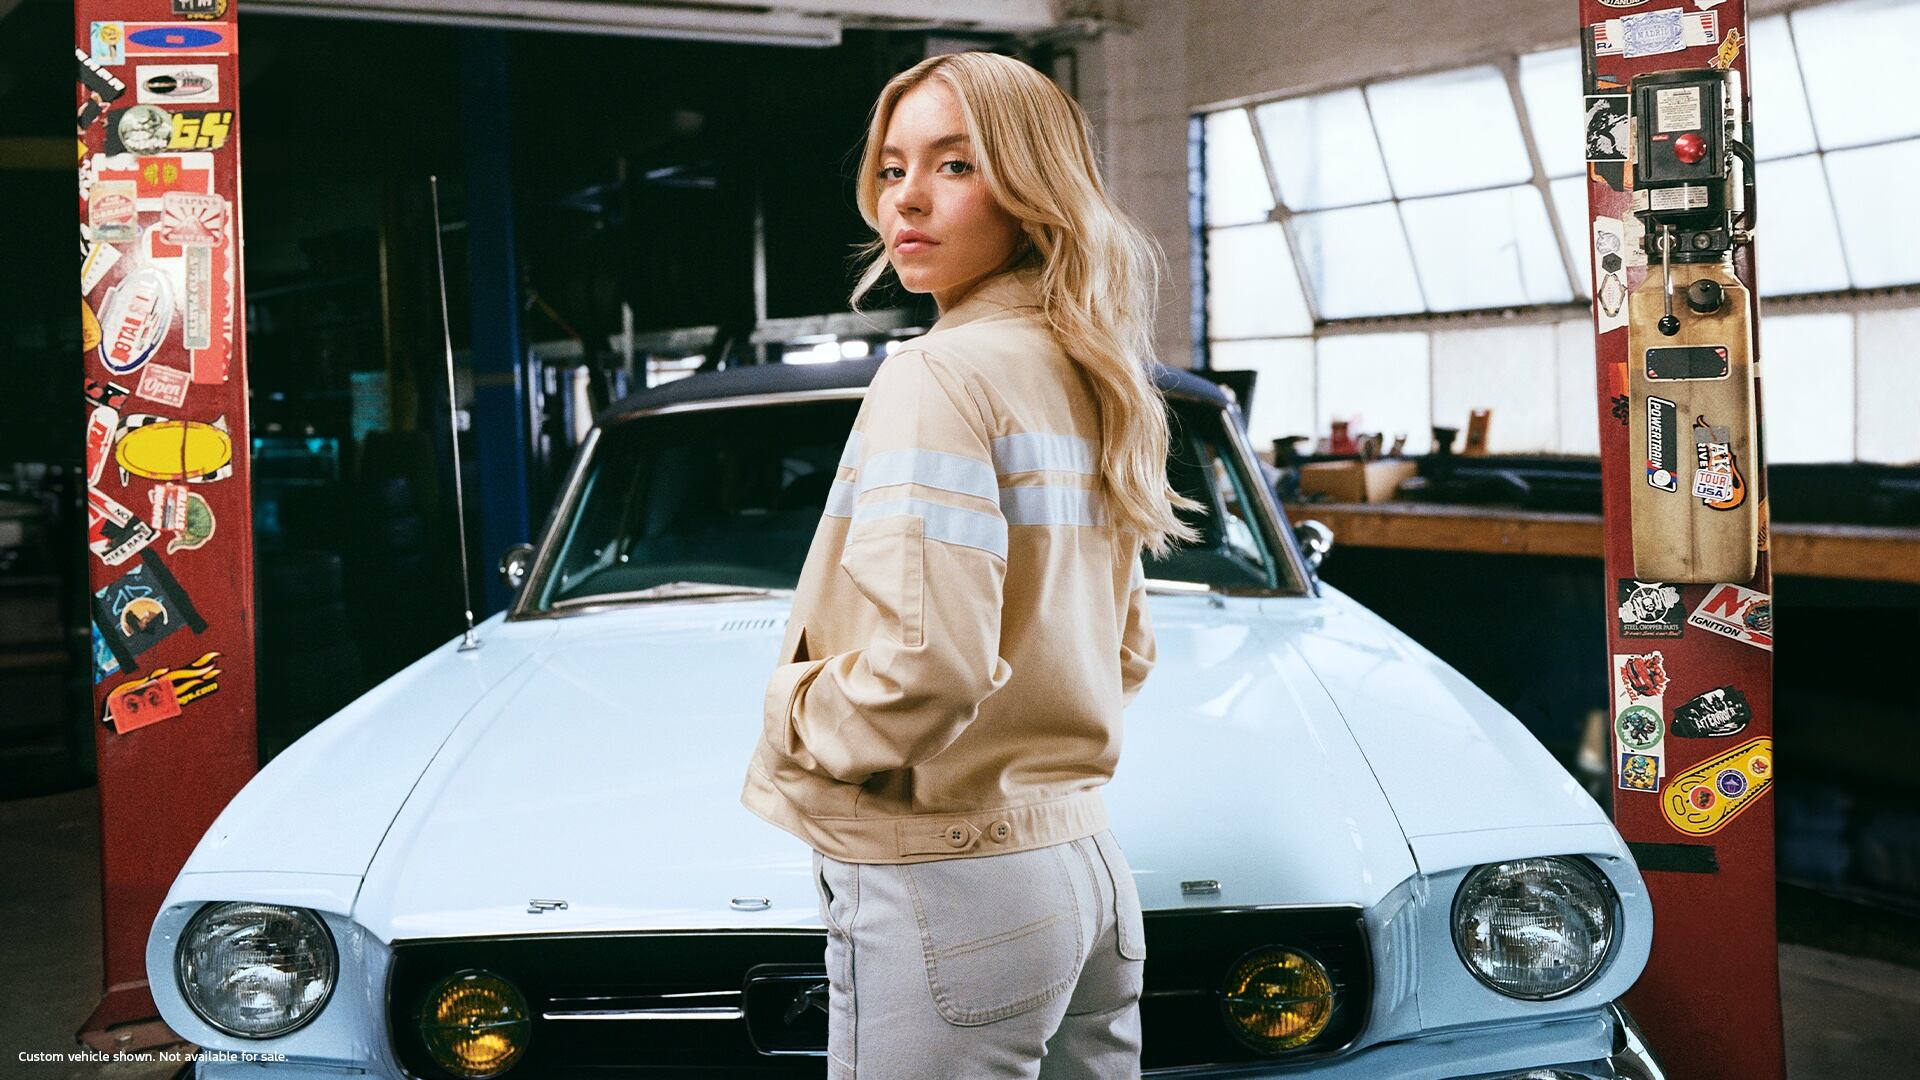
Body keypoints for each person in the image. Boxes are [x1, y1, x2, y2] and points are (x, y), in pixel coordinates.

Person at [739, 49, 1201, 1080]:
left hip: (951, 882)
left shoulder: (939, 375)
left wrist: (793, 712)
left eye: (955, 165)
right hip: (1084, 871)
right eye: (893, 167)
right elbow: (1126, 651)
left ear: (1034, 186)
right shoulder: (1091, 367)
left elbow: (929, 669)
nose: (907, 198)